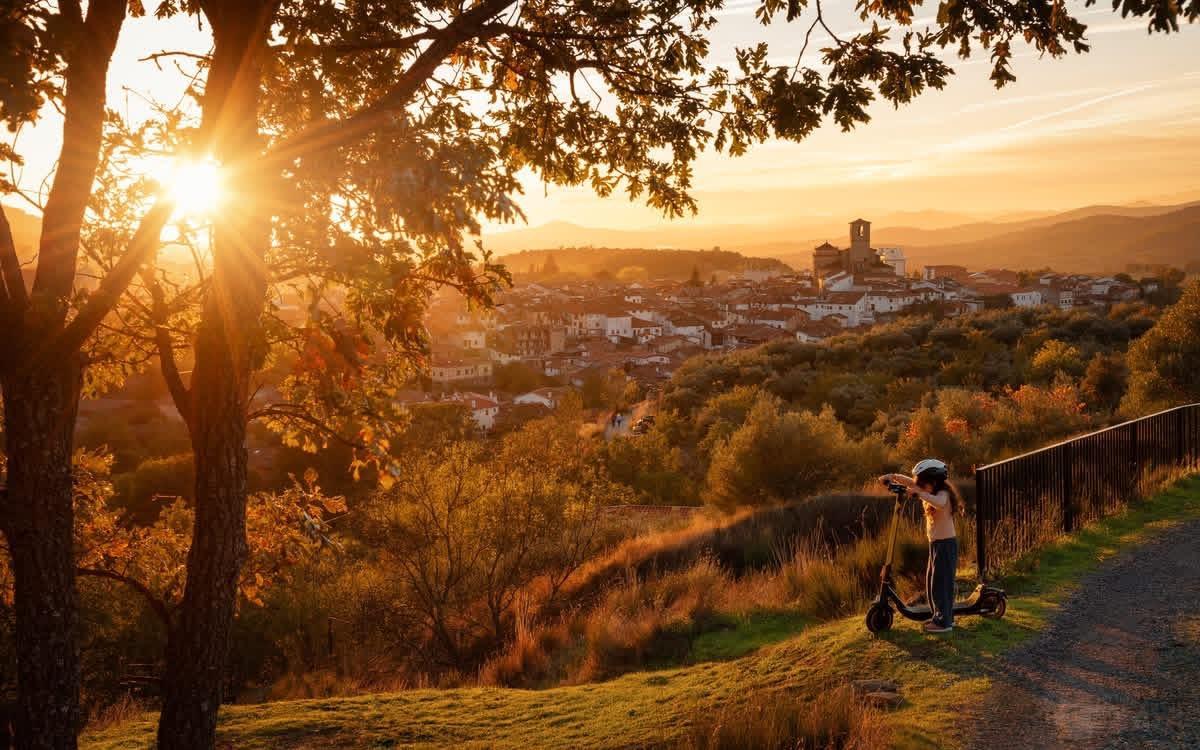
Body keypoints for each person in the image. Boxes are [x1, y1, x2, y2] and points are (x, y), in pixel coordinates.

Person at [879, 459, 963, 633]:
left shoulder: (943, 495)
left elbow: (937, 502)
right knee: (933, 582)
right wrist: (892, 477)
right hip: (936, 545)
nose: (920, 486)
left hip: (946, 546)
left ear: (934, 481)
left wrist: (918, 494)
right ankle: (942, 616)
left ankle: (943, 623)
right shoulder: (928, 490)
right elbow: (910, 483)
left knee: (941, 584)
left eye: (923, 483)